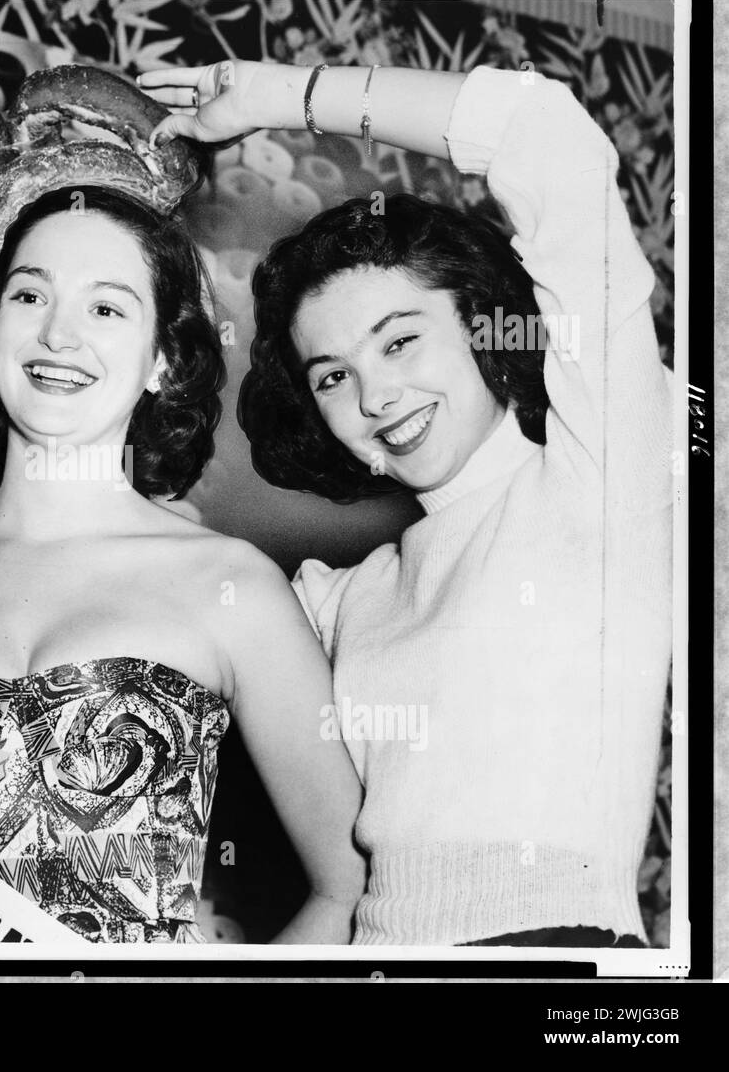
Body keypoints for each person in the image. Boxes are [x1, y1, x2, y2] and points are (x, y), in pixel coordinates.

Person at [139, 59, 673, 946]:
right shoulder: (342, 596)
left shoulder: (602, 472)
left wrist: (281, 98)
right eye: (335, 376)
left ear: (481, 323)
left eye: (401, 340)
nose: (377, 395)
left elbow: (550, 137)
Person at [0, 185, 365, 944]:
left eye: (107, 308)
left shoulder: (232, 586)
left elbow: (349, 889)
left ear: (160, 358)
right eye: (30, 294)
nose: (59, 334)